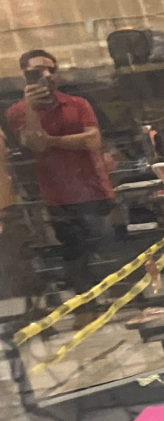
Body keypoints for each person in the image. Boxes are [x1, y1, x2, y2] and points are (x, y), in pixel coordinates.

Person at [5, 50, 114, 293]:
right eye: (37, 71)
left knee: (106, 246)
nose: (46, 75)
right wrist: (31, 109)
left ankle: (116, 297)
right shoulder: (17, 112)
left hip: (92, 187)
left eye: (51, 70)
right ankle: (86, 302)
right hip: (56, 195)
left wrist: (52, 140)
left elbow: (93, 140)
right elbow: (36, 143)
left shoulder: (78, 103)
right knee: (75, 252)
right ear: (24, 75)